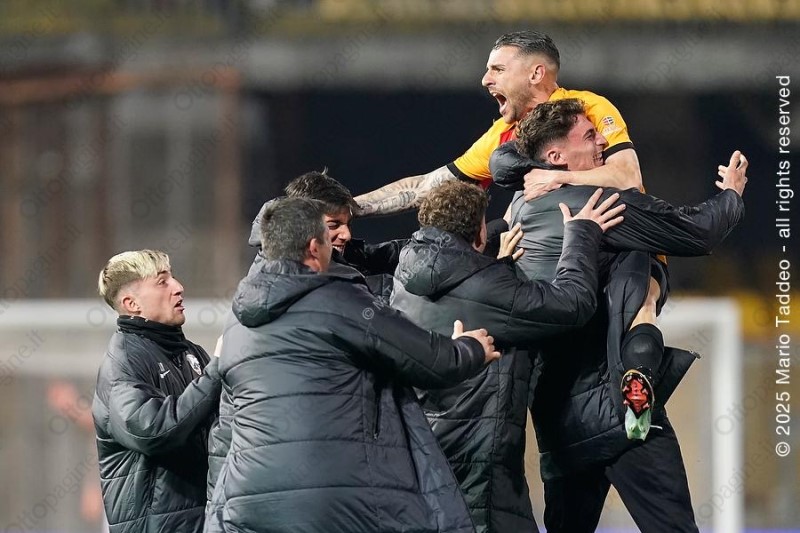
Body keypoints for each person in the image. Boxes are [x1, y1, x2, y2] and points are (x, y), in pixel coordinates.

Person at [489, 98, 748, 532]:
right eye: (590, 136)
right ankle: (640, 364)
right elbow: (699, 231)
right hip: (622, 415)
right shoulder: (600, 203)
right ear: (556, 156)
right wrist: (732, 194)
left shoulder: (517, 210)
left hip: (557, 420)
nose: (603, 142)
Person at [205, 197, 501, 533]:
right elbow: (429, 360)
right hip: (334, 496)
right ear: (314, 247)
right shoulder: (341, 299)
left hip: (247, 500)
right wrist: (470, 348)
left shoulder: (236, 320)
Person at [391, 179, 624, 532]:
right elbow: (572, 304)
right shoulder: (489, 287)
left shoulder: (402, 279)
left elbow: (465, 297)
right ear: (480, 232)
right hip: (479, 463)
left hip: (420, 451)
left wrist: (495, 267)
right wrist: (581, 235)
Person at [206, 170, 408, 499]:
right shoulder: (284, 288)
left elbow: (396, 254)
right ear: (307, 229)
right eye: (334, 225)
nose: (345, 235)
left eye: (347, 223)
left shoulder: (328, 266)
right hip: (281, 468)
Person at [353, 30, 641, 216]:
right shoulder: (502, 135)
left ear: (535, 74)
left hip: (619, 252)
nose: (485, 80)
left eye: (498, 70)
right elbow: (426, 187)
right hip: (553, 264)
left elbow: (628, 178)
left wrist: (557, 178)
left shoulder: (588, 107)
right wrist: (352, 207)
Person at [93, 250, 222, 533]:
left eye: (172, 277)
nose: (178, 287)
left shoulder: (192, 354)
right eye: (162, 282)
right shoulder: (122, 363)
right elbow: (152, 431)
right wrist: (216, 373)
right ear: (132, 304)